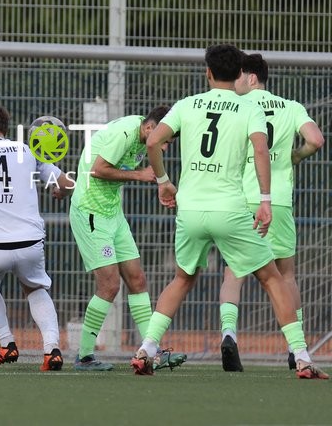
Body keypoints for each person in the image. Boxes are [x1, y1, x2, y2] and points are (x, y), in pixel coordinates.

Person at [132, 43, 328, 379]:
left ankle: (146, 348)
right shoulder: (246, 108)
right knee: (273, 278)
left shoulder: (187, 105)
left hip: (191, 210)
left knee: (181, 279)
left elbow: (153, 143)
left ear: (207, 72)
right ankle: (302, 357)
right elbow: (261, 151)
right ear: (239, 74)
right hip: (231, 210)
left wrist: (164, 181)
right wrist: (265, 200)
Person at [217, 53, 325, 372]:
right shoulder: (291, 107)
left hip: (240, 200)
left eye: (239, 77)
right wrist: (296, 156)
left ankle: (228, 334)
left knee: (233, 272)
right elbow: (316, 140)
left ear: (251, 78)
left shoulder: (239, 107)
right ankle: (296, 348)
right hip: (276, 202)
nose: (235, 83)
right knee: (286, 274)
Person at [69, 106, 185, 372]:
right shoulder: (124, 133)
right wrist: (139, 175)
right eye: (165, 141)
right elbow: (98, 170)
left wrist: (159, 184)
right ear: (149, 128)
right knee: (109, 286)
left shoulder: (144, 137)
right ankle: (84, 356)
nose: (165, 148)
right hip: (91, 212)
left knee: (137, 280)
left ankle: (150, 352)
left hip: (113, 214)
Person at [0, 103, 71, 371]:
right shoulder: (27, 150)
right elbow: (66, 183)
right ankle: (52, 349)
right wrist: (60, 192)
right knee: (34, 287)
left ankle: (7, 343)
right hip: (30, 243)